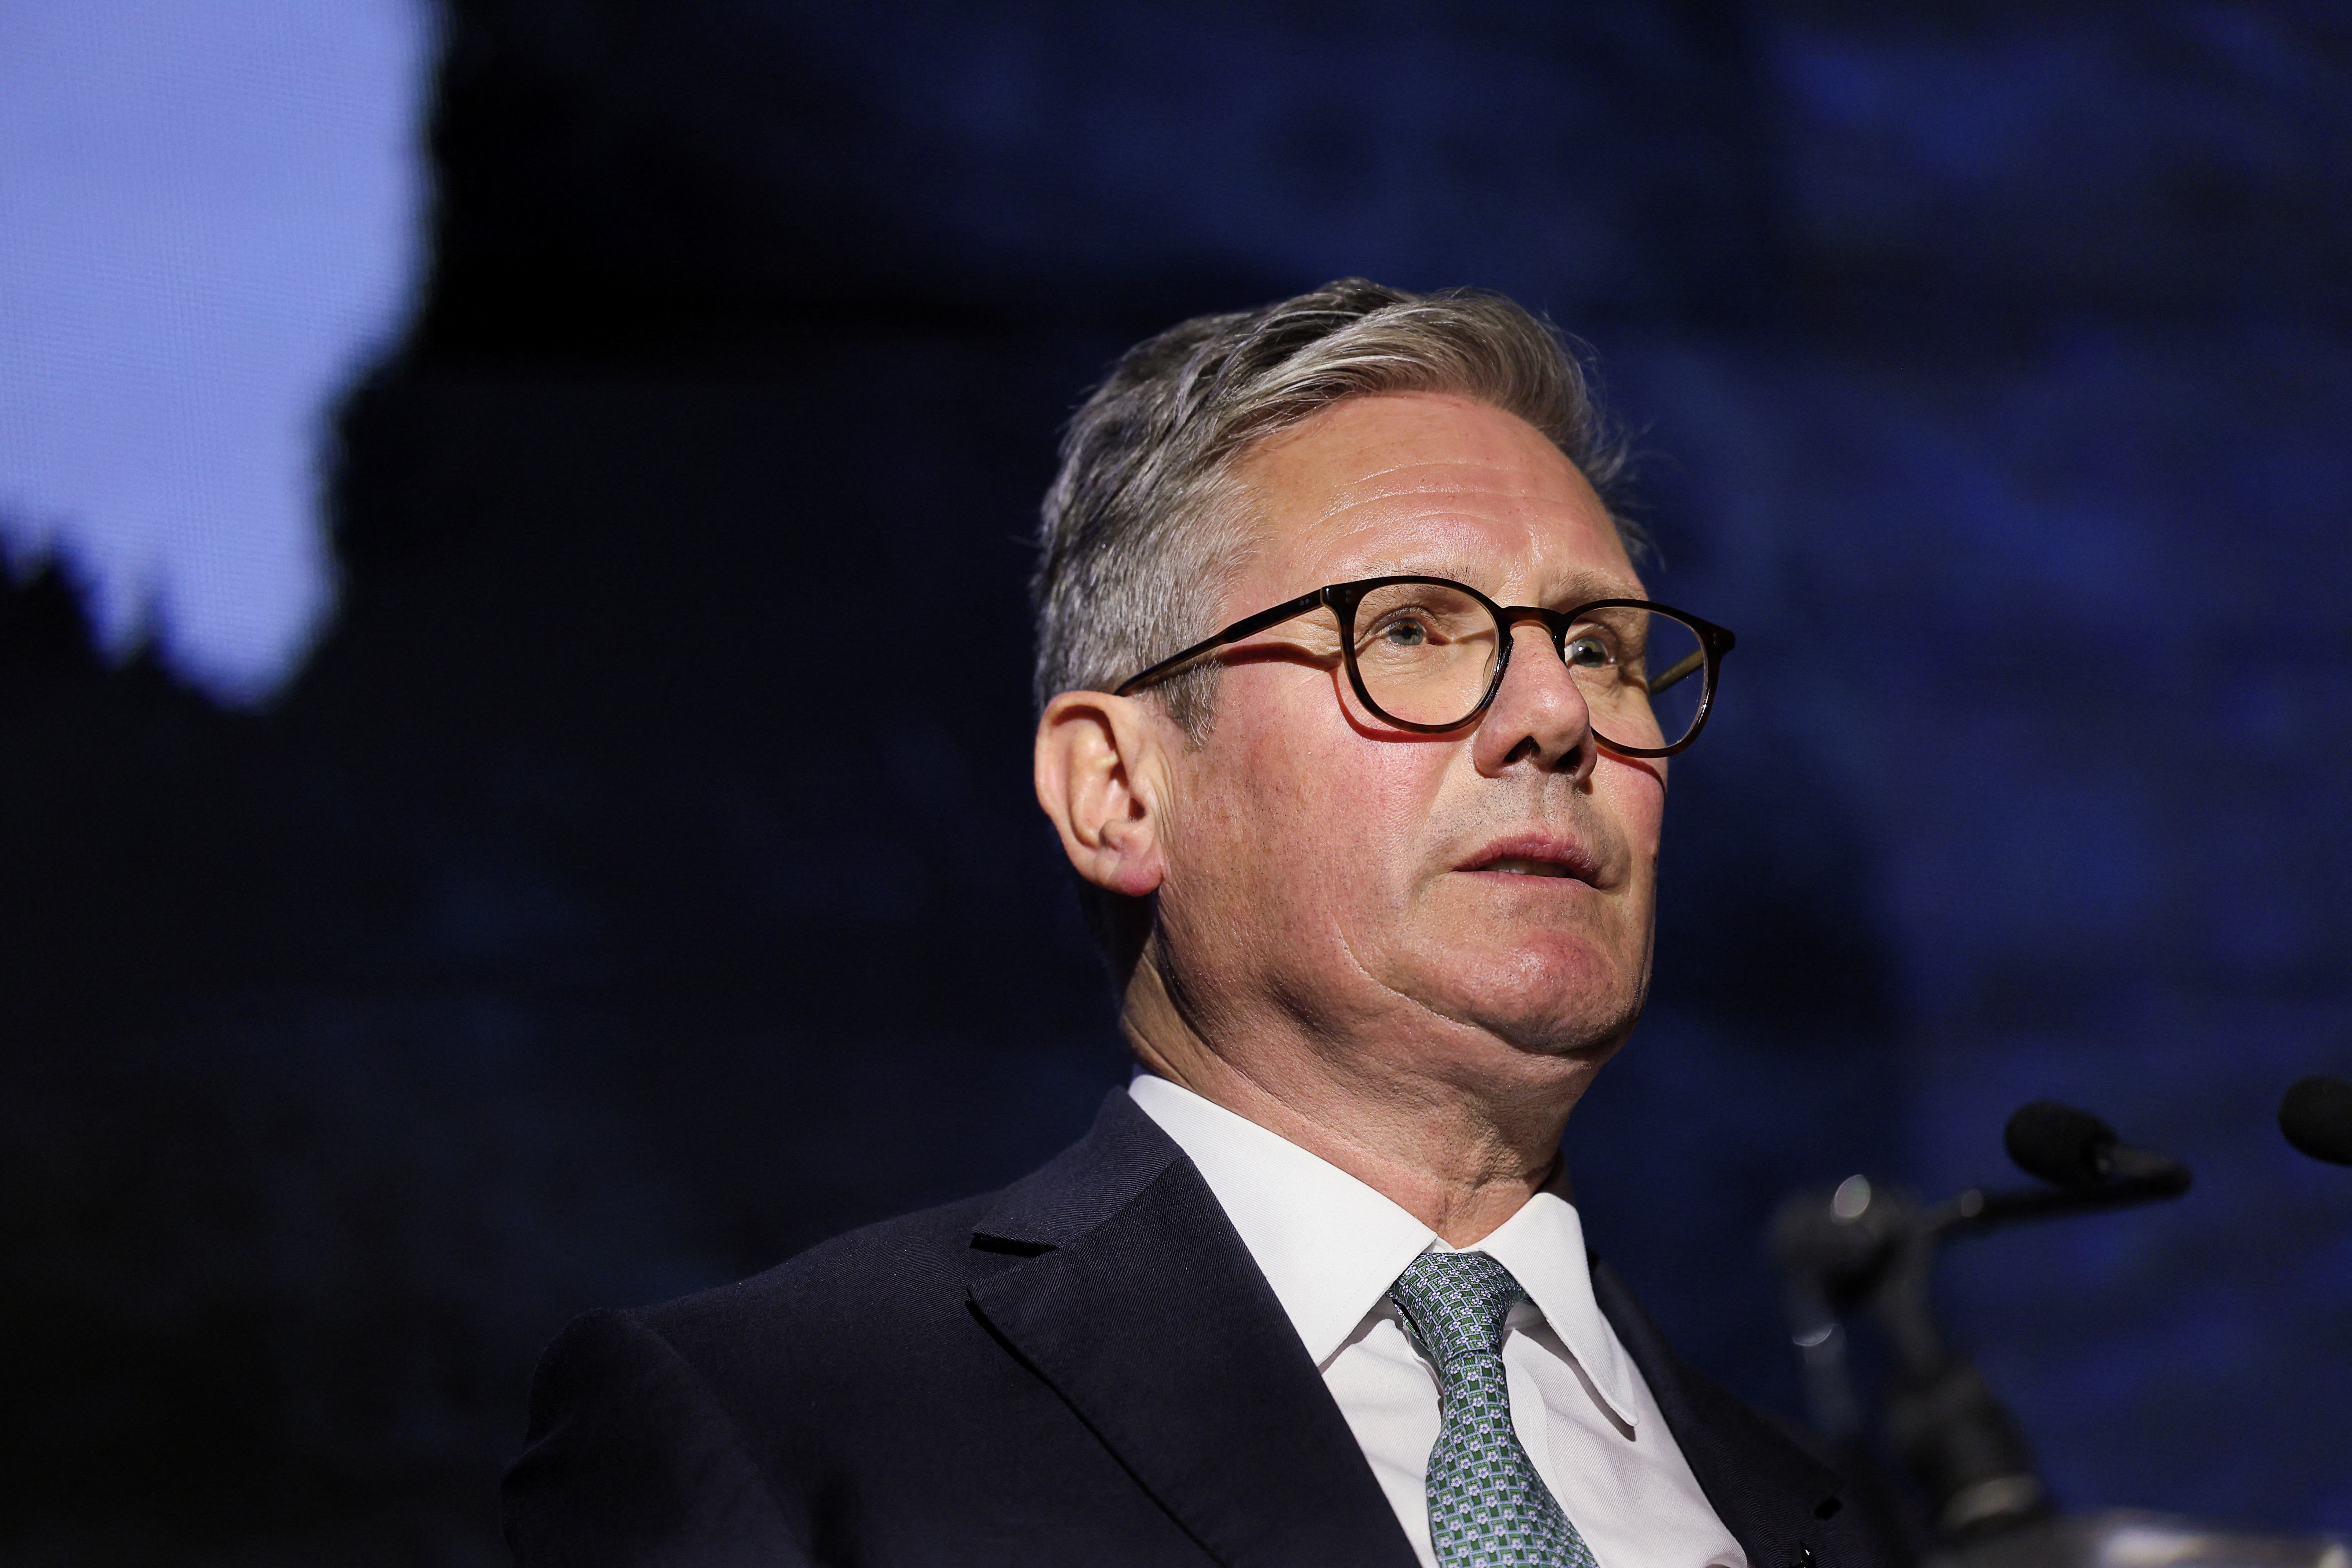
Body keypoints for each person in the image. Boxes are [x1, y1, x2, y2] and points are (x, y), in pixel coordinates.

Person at [503, 279, 1897, 1568]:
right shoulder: (787, 1425)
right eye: (1408, 629)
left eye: (1598, 648)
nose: (1554, 716)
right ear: (1118, 791)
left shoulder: (1828, 1516)